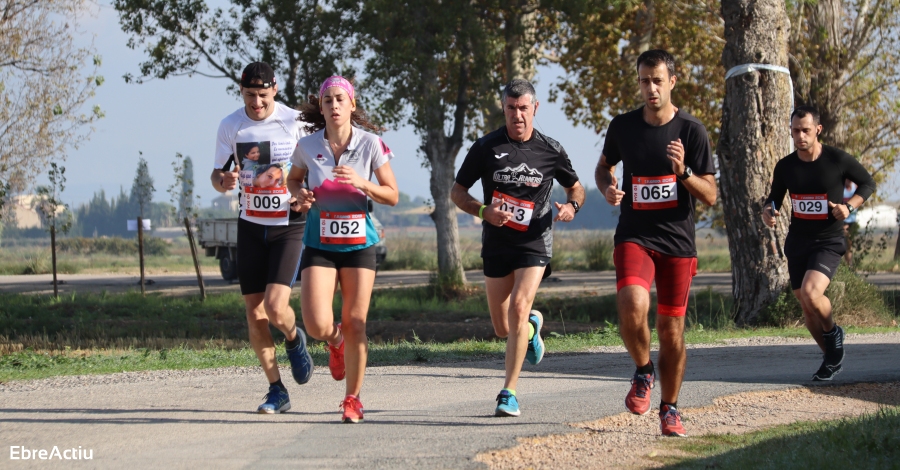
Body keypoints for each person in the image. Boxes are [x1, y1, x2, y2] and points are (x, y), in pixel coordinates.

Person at [596, 50, 717, 437]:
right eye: (644, 81)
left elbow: (710, 194)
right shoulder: (623, 126)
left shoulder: (692, 131)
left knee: (670, 330)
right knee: (632, 304)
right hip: (634, 234)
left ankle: (670, 407)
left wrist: (683, 172)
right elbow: (603, 167)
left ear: (672, 82)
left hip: (677, 242)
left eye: (657, 81)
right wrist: (608, 187)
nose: (651, 88)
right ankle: (644, 370)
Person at [452, 78, 585, 417]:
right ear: (504, 109)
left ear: (535, 108)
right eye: (511, 108)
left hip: (534, 240)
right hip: (497, 242)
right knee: (503, 327)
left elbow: (576, 188)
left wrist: (572, 207)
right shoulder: (486, 147)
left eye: (523, 108)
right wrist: (483, 211)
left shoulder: (550, 149)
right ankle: (531, 328)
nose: (517, 115)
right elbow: (457, 192)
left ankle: (508, 392)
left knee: (519, 306)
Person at [287, 75, 399, 423]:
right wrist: (300, 194)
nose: (334, 105)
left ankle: (353, 399)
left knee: (355, 321)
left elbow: (392, 195)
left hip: (358, 244)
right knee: (316, 323)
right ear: (321, 108)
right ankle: (335, 342)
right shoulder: (307, 145)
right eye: (328, 100)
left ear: (352, 104)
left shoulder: (370, 144)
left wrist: (362, 183)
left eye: (340, 99)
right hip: (319, 242)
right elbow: (293, 179)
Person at [211, 62, 313, 414]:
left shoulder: (294, 122)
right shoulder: (231, 125)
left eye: (262, 95)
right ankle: (276, 389)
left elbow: (314, 169)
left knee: (275, 307)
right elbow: (217, 174)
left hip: (288, 224)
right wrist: (223, 181)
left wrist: (305, 196)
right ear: (241, 92)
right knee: (254, 314)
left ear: (275, 89)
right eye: (249, 95)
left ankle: (294, 337)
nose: (256, 103)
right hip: (250, 226)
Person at [763, 105, 875, 382]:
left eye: (805, 130)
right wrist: (768, 210)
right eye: (795, 131)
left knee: (812, 293)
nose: (800, 136)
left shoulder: (836, 159)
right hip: (798, 241)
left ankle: (833, 332)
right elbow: (775, 197)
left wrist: (849, 206)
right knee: (805, 303)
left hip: (828, 240)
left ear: (818, 130)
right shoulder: (786, 165)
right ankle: (830, 359)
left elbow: (867, 184)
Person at [842, 179, 859, 268]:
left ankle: (849, 266)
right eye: (847, 179)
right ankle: (846, 266)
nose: (849, 181)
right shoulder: (841, 190)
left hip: (852, 220)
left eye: (850, 179)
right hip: (842, 220)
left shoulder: (855, 188)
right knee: (844, 242)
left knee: (849, 244)